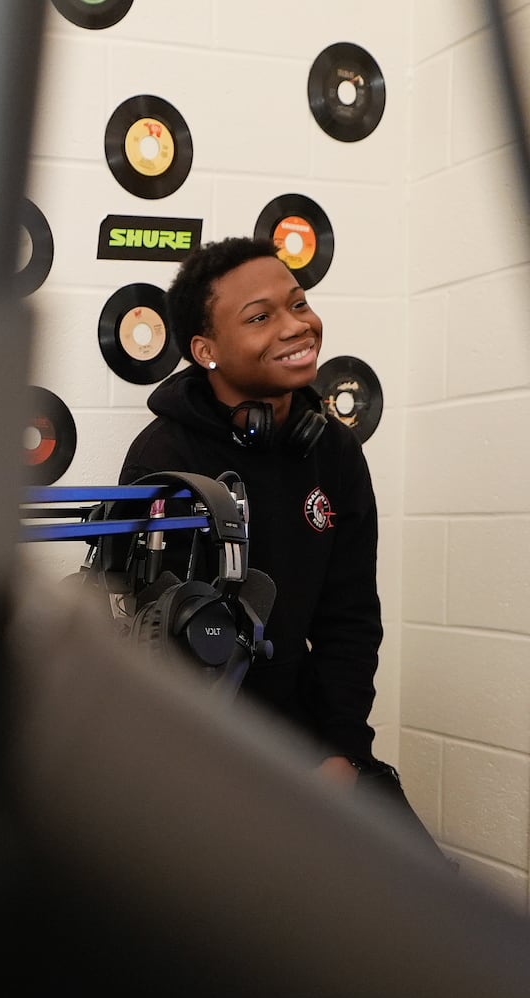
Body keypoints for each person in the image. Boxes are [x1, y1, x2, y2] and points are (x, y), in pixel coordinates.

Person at [119, 235, 436, 847]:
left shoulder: (335, 450)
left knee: (424, 902)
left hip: (312, 732)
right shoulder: (164, 456)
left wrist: (342, 751)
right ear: (205, 350)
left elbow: (349, 620)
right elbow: (150, 646)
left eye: (299, 303)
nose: (297, 326)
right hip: (200, 748)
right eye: (261, 317)